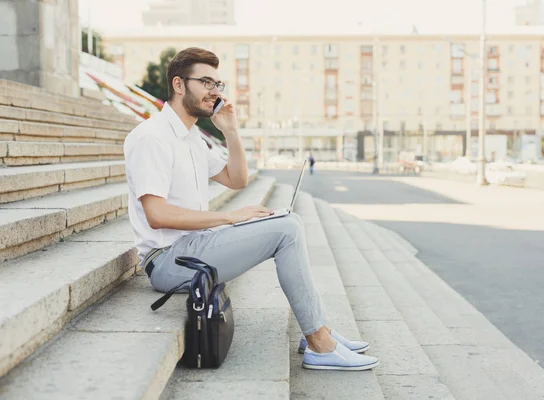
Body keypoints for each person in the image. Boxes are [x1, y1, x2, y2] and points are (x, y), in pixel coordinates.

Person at [124, 48, 379, 371]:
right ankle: (319, 343)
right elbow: (156, 214)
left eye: (219, 84)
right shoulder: (151, 137)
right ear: (178, 84)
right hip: (168, 261)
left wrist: (230, 130)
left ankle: (319, 331)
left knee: (289, 221)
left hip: (193, 247)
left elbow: (236, 178)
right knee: (286, 230)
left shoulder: (191, 138)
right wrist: (230, 217)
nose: (215, 92)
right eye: (206, 82)